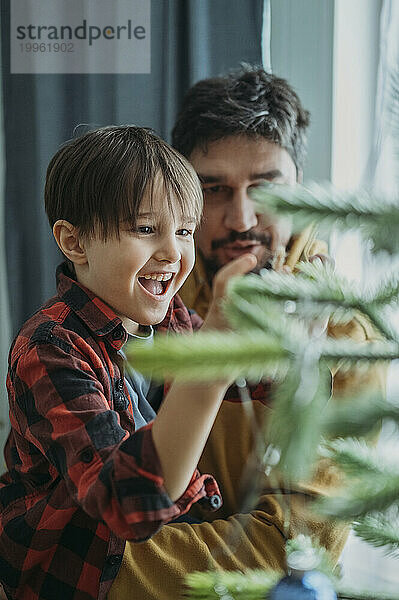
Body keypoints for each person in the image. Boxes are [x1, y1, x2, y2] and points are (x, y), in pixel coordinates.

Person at [108, 66, 386, 600]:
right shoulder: (138, 296)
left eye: (264, 188)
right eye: (213, 189)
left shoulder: (347, 335)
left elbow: (287, 551)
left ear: (300, 189)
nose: (240, 219)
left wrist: (68, 567)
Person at [0, 125, 257, 600]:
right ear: (74, 243)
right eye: (145, 229)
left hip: (153, 545)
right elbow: (127, 503)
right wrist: (215, 359)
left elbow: (257, 378)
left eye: (183, 231)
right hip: (72, 578)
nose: (172, 253)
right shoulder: (50, 346)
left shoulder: (172, 318)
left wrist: (287, 332)